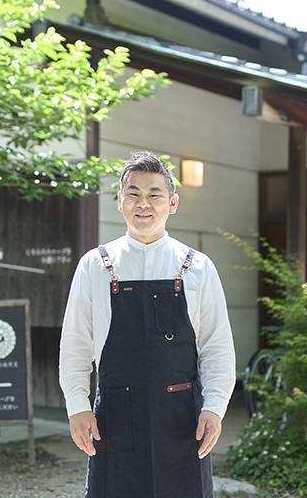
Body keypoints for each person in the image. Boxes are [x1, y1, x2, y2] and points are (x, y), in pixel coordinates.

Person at [59, 151, 236, 498]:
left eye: (154, 194)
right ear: (120, 202)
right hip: (115, 418)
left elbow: (217, 348)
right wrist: (77, 406)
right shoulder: (95, 265)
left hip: (183, 421)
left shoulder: (197, 266)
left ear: (172, 203)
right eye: (134, 193)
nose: (144, 203)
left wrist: (214, 408)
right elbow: (76, 344)